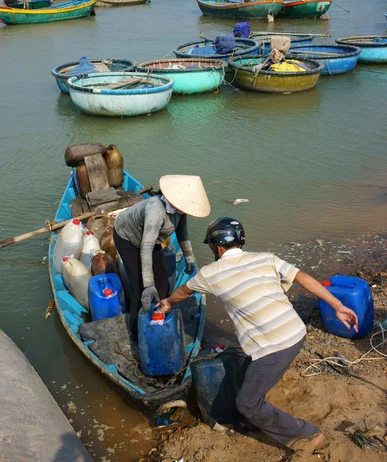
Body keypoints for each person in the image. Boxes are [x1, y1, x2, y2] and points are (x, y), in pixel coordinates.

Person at [158, 217, 358, 455]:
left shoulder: (210, 273)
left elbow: (182, 292)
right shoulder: (266, 258)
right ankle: (251, 420)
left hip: (274, 345)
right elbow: (302, 278)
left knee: (247, 403)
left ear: (216, 246)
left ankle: (306, 434)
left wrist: (168, 302)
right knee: (246, 370)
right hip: (295, 331)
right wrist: (337, 305)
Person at [113, 175, 210, 339]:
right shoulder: (155, 211)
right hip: (127, 237)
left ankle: (159, 315)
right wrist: (149, 284)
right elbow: (146, 247)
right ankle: (137, 331)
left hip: (151, 238)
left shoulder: (180, 210)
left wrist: (189, 257)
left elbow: (182, 233)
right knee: (140, 286)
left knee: (163, 280)